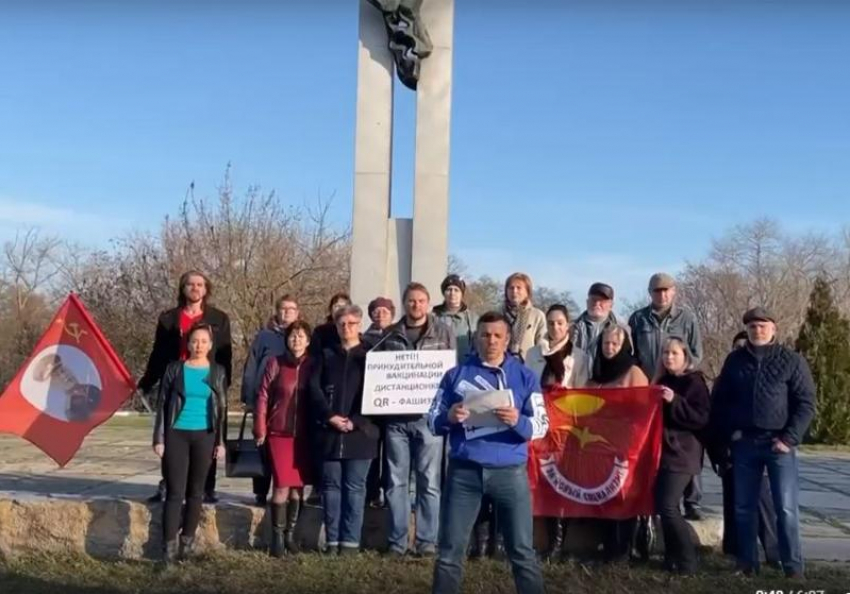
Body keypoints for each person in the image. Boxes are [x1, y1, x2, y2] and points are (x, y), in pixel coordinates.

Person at [428, 311, 548, 594]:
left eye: (497, 335)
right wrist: (449, 416)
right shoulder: (455, 376)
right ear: (476, 338)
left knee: (521, 552)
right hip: (464, 474)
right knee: (449, 552)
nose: (491, 340)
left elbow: (541, 426)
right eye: (485, 335)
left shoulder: (525, 377)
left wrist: (517, 420)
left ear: (507, 340)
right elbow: (431, 421)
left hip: (510, 474)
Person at [709, 307, 815, 578]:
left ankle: (793, 568)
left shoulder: (791, 360)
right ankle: (746, 565)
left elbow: (805, 403)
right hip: (745, 443)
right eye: (753, 326)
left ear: (774, 328)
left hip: (778, 444)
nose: (758, 330)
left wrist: (789, 438)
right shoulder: (735, 361)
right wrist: (728, 436)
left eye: (763, 325)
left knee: (786, 508)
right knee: (744, 507)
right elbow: (721, 401)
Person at [372, 282, 456, 557]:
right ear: (404, 303)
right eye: (410, 301)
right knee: (396, 482)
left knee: (429, 482)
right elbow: (379, 374)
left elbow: (451, 375)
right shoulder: (389, 335)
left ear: (428, 303)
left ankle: (426, 542)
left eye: (420, 301)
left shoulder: (444, 333)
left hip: (429, 420)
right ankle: (397, 542)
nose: (415, 305)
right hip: (396, 419)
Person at [139, 270, 232, 504]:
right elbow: (158, 354)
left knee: (208, 435)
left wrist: (223, 384)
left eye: (200, 284)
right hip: (176, 382)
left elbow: (226, 355)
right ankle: (167, 485)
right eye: (190, 284)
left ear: (206, 289)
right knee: (171, 436)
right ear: (183, 288)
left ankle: (207, 488)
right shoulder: (168, 318)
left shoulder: (219, 319)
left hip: (207, 382)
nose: (195, 288)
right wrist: (146, 382)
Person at [629, 273, 704, 520]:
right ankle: (653, 498)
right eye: (656, 291)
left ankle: (692, 501)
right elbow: (633, 353)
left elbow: (695, 352)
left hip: (680, 385)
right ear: (650, 293)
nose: (661, 295)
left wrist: (682, 375)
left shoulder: (687, 318)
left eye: (666, 290)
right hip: (649, 388)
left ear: (674, 291)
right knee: (655, 445)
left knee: (686, 443)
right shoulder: (638, 319)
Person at [152, 323, 228, 565]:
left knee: (196, 492)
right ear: (188, 343)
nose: (199, 346)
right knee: (175, 492)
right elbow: (162, 405)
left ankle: (187, 542)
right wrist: (159, 438)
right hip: (177, 433)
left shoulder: (218, 371)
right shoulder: (175, 369)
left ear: (210, 344)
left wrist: (221, 442)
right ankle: (169, 550)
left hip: (204, 436)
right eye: (194, 341)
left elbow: (222, 410)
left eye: (204, 341)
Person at [308, 304, 379, 556]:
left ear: (359, 325)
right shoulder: (325, 355)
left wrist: (356, 421)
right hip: (329, 433)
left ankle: (350, 543)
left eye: (351, 323)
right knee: (331, 488)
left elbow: (377, 394)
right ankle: (333, 541)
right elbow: (313, 389)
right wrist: (329, 416)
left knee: (355, 489)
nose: (346, 328)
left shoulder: (371, 356)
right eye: (341, 324)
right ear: (335, 326)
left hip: (362, 435)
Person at [524, 303, 589, 561]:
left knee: (565, 484)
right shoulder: (533, 354)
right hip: (541, 427)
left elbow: (583, 391)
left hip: (567, 428)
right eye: (551, 323)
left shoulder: (579, 356)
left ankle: (562, 544)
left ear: (568, 325)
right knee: (546, 485)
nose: (555, 327)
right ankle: (548, 543)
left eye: (560, 323)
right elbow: (528, 387)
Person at [709, 331, 780, 568]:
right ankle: (734, 549)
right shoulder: (722, 382)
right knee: (733, 501)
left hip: (753, 447)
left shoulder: (758, 381)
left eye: (744, 347)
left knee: (762, 501)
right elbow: (714, 417)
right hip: (728, 448)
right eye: (736, 347)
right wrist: (718, 451)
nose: (740, 351)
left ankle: (773, 552)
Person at [585, 324, 648, 562]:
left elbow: (643, 410)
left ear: (624, 346)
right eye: (605, 343)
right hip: (600, 447)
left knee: (622, 497)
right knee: (603, 495)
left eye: (614, 344)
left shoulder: (633, 373)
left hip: (625, 446)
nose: (609, 348)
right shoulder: (597, 373)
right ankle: (607, 546)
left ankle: (623, 549)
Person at [254, 320, 314, 557]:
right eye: (292, 336)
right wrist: (260, 426)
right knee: (280, 486)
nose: (296, 340)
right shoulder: (275, 363)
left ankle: (290, 534)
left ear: (308, 341)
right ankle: (276, 538)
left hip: (305, 435)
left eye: (301, 336)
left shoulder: (314, 365)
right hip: (279, 433)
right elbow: (262, 396)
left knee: (298, 489)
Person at [654, 337, 710, 574]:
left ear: (685, 356)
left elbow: (701, 418)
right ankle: (672, 557)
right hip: (664, 452)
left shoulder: (694, 382)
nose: (669, 357)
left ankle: (688, 560)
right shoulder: (663, 381)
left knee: (667, 505)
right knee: (663, 504)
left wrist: (674, 401)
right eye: (666, 353)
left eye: (674, 353)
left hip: (684, 454)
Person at [242, 294, 301, 507]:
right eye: (283, 308)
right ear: (277, 311)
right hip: (264, 399)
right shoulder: (264, 337)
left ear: (298, 312)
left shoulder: (301, 335)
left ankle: (286, 488)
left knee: (287, 452)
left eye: (291, 309)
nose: (287, 312)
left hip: (290, 402)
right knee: (262, 446)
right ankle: (260, 492)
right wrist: (248, 397)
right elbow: (251, 367)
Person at [363, 296, 396, 507]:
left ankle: (390, 492)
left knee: (392, 455)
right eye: (376, 310)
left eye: (385, 310)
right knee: (372, 453)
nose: (381, 314)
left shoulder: (399, 338)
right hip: (372, 406)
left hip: (395, 405)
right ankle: (372, 493)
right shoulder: (363, 339)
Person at [571, 282, 625, 370]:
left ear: (611, 305)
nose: (597, 303)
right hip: (576, 379)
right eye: (593, 299)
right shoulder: (571, 328)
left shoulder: (623, 330)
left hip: (608, 380)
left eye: (602, 300)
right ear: (587, 302)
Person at [432, 274, 479, 363]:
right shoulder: (432, 316)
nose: (452, 293)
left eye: (456, 290)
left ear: (462, 294)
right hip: (439, 366)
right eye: (449, 290)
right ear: (443, 293)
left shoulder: (473, 319)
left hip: (465, 367)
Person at [502, 272, 546, 362]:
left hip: (528, 365)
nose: (514, 291)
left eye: (519, 288)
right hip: (502, 364)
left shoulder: (537, 316)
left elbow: (542, 344)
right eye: (511, 288)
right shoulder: (498, 315)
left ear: (527, 291)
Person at [309, 292, 352, 358]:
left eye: (343, 306)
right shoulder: (320, 332)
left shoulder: (353, 330)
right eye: (336, 306)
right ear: (331, 309)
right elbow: (314, 355)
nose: (340, 309)